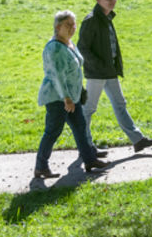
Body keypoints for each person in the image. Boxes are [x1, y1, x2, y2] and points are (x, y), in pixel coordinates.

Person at [78, 0, 152, 154]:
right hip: (97, 73)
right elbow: (82, 48)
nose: (112, 0)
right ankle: (85, 147)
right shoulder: (91, 20)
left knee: (120, 104)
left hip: (109, 71)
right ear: (98, 0)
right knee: (88, 109)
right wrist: (99, 65)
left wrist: (113, 66)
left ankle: (137, 140)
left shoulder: (107, 18)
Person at [34, 10, 108, 179]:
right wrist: (66, 98)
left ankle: (89, 160)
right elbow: (57, 77)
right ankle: (40, 167)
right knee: (53, 131)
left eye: (74, 24)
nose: (73, 28)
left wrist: (78, 92)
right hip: (57, 98)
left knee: (80, 127)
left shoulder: (68, 43)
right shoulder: (55, 48)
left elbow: (73, 72)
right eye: (68, 25)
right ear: (58, 27)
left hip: (72, 98)